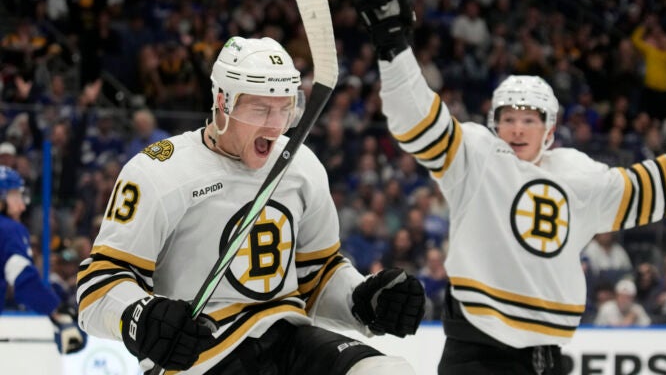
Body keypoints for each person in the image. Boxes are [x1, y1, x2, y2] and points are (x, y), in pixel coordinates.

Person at [354, 0, 666, 375]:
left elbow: (646, 191)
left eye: (529, 118)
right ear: (494, 124)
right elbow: (417, 116)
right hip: (475, 355)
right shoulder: (473, 156)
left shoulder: (577, 174)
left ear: (548, 129)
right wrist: (393, 44)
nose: (517, 128)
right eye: (508, 118)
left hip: (548, 359)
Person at [76, 37, 425, 374]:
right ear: (223, 102)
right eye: (260, 109)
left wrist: (362, 300)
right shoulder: (158, 172)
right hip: (204, 354)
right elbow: (96, 290)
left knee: (388, 370)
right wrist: (142, 318)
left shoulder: (300, 166)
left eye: (285, 108)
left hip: (288, 338)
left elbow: (318, 274)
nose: (276, 126)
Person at [0, 166, 85, 354]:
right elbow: (24, 281)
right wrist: (56, 310)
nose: (22, 205)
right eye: (15, 195)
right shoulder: (8, 229)